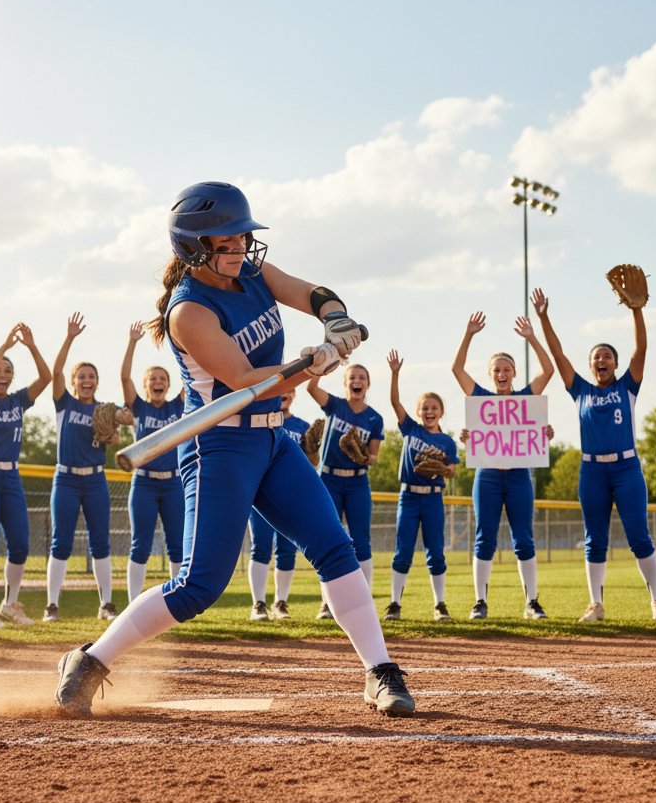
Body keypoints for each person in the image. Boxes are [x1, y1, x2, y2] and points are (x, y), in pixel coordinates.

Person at [55, 181, 414, 717]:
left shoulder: (251, 272)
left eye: (243, 237)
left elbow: (312, 294)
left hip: (272, 439)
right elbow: (246, 377)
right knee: (198, 586)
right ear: (195, 248)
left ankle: (379, 671)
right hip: (219, 446)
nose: (242, 248)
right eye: (228, 241)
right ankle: (89, 660)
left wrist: (335, 320)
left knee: (334, 548)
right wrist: (312, 362)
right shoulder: (188, 312)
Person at [533, 288, 656, 622]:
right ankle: (595, 604)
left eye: (607, 357)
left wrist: (637, 310)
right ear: (591, 366)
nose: (601, 361)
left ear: (616, 364)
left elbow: (641, 348)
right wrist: (543, 317)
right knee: (594, 539)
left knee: (639, 535)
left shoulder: (628, 386)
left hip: (626, 468)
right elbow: (558, 354)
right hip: (591, 471)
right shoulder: (580, 390)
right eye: (596, 357)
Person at [452, 310, 556, 621]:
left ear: (513, 373)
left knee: (523, 536)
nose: (502, 373)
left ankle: (532, 602)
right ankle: (480, 602)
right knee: (485, 536)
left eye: (507, 368)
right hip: (488, 477)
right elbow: (456, 369)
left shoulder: (526, 399)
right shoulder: (481, 398)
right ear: (490, 374)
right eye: (496, 369)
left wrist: (532, 337)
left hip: (519, 476)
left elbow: (549, 370)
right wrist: (469, 333)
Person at [45, 314, 132, 623]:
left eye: (90, 376)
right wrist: (69, 337)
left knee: (100, 541)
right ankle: (51, 606)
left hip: (95, 481)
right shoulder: (64, 403)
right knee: (61, 541)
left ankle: (106, 605)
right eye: (80, 376)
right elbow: (55, 370)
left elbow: (129, 420)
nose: (86, 380)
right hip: (66, 478)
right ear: (73, 382)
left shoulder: (102, 410)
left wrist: (117, 432)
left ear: (96, 381)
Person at [0, 323, 51, 628]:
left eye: (7, 370)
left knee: (20, 544)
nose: (1, 374)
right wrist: (3, 347)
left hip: (11, 478)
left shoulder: (17, 400)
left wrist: (30, 346)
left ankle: (9, 604)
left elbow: (46, 378)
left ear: (12, 377)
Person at [383, 350, 459, 621]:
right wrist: (395, 373)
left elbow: (451, 469)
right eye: (425, 408)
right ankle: (394, 603)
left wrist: (445, 469)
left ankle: (439, 605)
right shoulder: (411, 429)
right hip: (409, 497)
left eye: (434, 408)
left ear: (441, 412)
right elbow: (394, 402)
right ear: (418, 412)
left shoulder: (448, 442)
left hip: (433, 498)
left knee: (436, 552)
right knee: (402, 551)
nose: (429, 412)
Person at [304, 364, 382, 620]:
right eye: (352, 377)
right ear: (346, 383)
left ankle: (364, 601)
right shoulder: (335, 406)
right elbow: (311, 388)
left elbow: (373, 458)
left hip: (358, 483)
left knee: (361, 542)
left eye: (362, 377)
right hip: (328, 479)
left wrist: (364, 456)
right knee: (328, 540)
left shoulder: (375, 418)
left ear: (368, 384)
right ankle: (328, 603)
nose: (357, 381)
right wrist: (320, 366)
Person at [119, 320, 185, 608]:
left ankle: (177, 601)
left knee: (177, 545)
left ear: (168, 385)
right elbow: (124, 378)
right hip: (144, 481)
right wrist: (133, 342)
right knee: (141, 544)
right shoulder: (140, 408)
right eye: (152, 379)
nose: (158, 383)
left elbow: (194, 376)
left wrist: (186, 341)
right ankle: (133, 605)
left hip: (173, 483)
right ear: (146, 386)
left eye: (162, 379)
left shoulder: (177, 406)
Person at [247, 388, 310, 621]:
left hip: (290, 493)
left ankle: (280, 603)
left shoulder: (304, 427)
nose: (287, 393)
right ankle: (258, 604)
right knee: (260, 546)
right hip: (261, 492)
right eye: (283, 389)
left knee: (287, 549)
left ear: (294, 395)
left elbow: (308, 465)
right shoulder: (260, 421)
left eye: (291, 389)